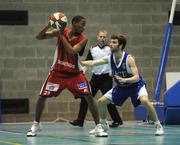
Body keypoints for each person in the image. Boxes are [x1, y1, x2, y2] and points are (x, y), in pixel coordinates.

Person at [27, 15, 99, 137]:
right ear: (74, 23)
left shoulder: (83, 38)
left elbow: (71, 51)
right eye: (82, 24)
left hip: (75, 74)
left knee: (89, 96)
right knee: (42, 96)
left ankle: (99, 126)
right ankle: (36, 124)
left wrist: (60, 35)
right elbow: (39, 37)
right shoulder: (60, 31)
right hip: (57, 73)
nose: (84, 27)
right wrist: (49, 25)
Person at [81, 34, 164, 137]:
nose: (110, 44)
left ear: (120, 46)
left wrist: (125, 80)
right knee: (101, 102)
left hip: (136, 86)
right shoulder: (109, 58)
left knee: (145, 101)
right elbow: (93, 63)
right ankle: (103, 124)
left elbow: (137, 77)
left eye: (114, 42)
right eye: (111, 42)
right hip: (121, 87)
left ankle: (158, 125)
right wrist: (80, 62)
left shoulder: (129, 59)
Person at [70, 30, 123, 128]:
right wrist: (84, 70)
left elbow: (115, 60)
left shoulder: (110, 49)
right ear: (98, 37)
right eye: (101, 37)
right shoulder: (93, 49)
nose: (102, 39)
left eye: (104, 37)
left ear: (106, 38)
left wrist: (113, 70)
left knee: (108, 99)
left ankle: (117, 120)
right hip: (95, 78)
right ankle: (80, 120)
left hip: (106, 77)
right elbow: (88, 61)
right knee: (85, 97)